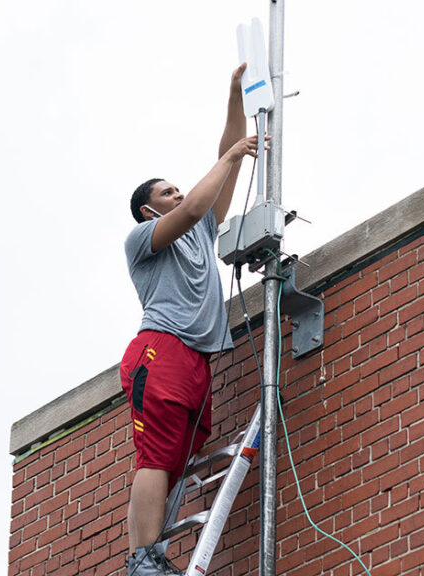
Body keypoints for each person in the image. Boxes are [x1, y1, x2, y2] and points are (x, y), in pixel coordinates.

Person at [120, 63, 263, 576]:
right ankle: (142, 561)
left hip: (195, 359)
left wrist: (234, 99)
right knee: (155, 457)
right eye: (166, 193)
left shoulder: (201, 232)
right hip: (159, 350)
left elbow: (224, 167)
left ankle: (154, 554)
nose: (177, 195)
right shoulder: (144, 240)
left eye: (179, 189)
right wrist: (226, 158)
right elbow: (204, 194)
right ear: (147, 211)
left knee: (175, 461)